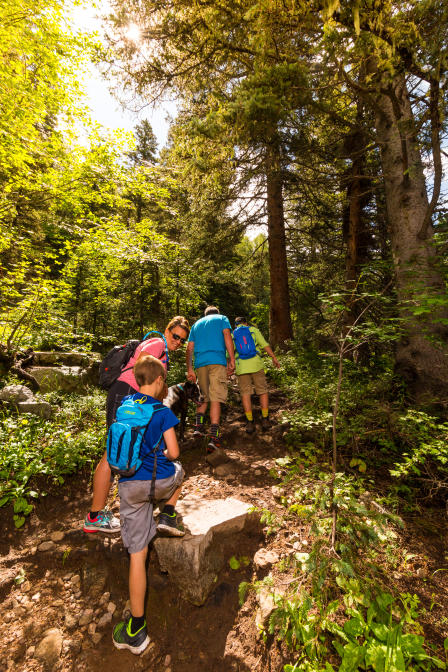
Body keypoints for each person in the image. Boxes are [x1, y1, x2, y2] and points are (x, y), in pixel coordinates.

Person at [83, 316, 190, 534]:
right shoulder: (158, 343)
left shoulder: (163, 350)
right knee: (112, 452)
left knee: (129, 449)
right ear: (167, 330)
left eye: (183, 340)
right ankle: (94, 516)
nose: (178, 342)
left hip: (131, 396)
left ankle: (138, 498)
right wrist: (142, 400)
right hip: (126, 394)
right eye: (176, 336)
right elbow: (143, 368)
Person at [112, 354, 184, 655]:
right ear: (157, 381)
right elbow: (174, 450)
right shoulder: (162, 411)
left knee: (137, 556)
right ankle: (167, 514)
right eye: (163, 382)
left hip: (128, 486)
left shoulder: (123, 406)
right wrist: (166, 457)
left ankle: (136, 629)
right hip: (159, 484)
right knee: (181, 471)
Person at [186, 306, 235, 453]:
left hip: (200, 363)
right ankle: (214, 437)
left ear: (205, 314)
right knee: (215, 398)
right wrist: (231, 359)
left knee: (203, 397)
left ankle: (198, 427)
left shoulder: (196, 324)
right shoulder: (222, 319)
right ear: (217, 313)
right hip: (217, 361)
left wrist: (190, 368)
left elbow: (189, 348)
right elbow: (227, 336)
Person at [233, 317, 280, 434]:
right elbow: (264, 345)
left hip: (241, 367)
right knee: (262, 391)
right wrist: (273, 357)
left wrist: (229, 366)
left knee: (245, 394)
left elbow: (228, 352)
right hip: (256, 364)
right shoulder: (253, 330)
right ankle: (265, 419)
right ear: (246, 323)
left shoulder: (232, 334)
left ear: (236, 325)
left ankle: (250, 421)